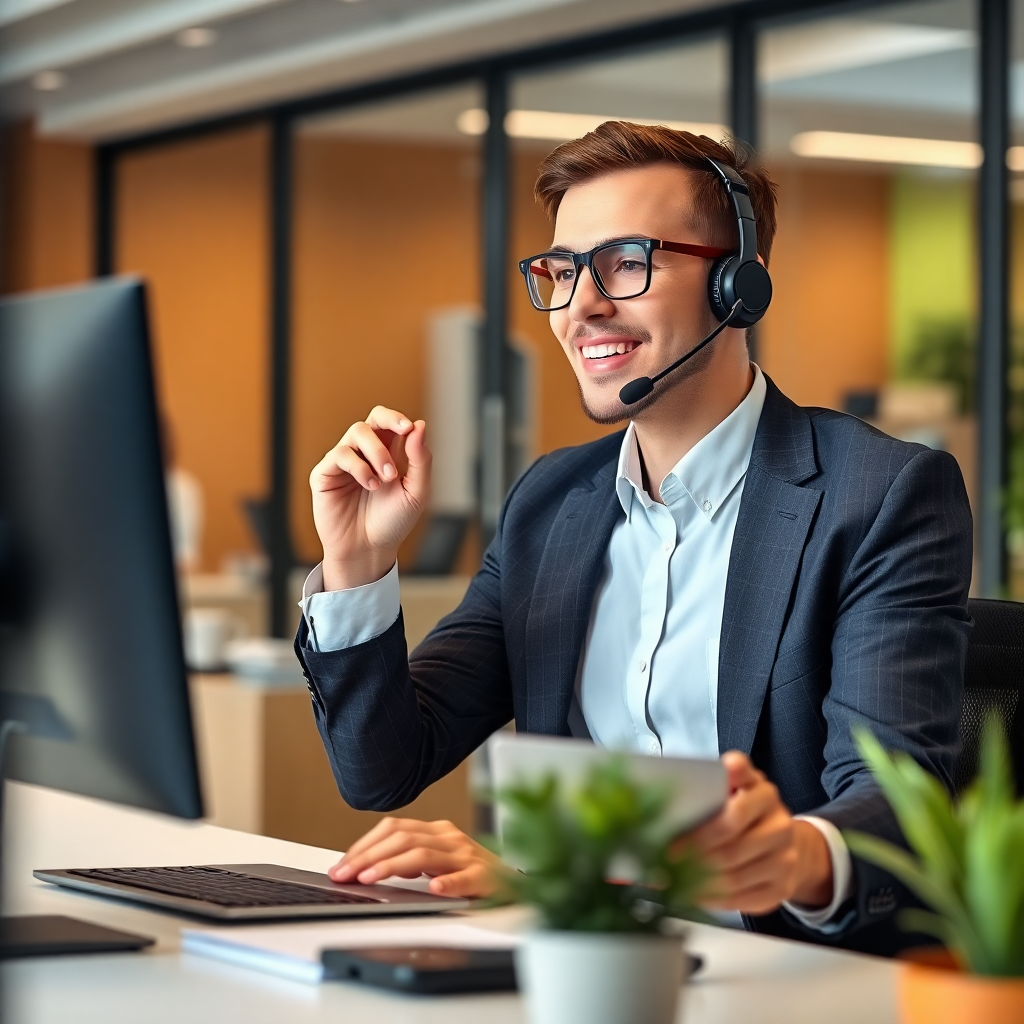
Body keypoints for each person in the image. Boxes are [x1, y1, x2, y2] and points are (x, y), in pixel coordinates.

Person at [294, 122, 972, 954]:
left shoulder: (876, 496)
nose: (582, 305)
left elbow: (895, 808)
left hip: (783, 976)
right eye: (562, 270)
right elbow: (384, 768)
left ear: (738, 288)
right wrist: (358, 564)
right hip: (587, 967)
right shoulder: (551, 502)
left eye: (624, 262)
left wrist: (788, 854)